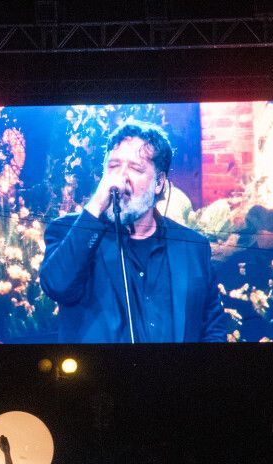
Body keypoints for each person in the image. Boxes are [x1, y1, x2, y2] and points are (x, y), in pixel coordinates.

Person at [40, 120, 225, 344]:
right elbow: (57, 286)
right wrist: (97, 205)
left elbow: (212, 328)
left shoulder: (192, 246)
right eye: (113, 166)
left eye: (135, 168)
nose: (121, 178)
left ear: (159, 183)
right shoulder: (70, 231)